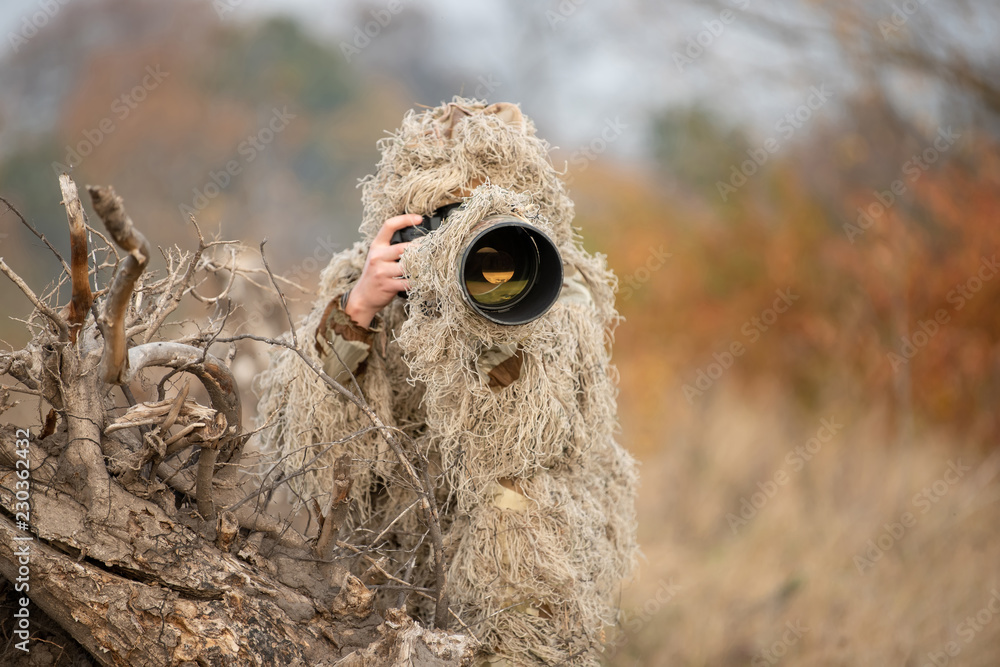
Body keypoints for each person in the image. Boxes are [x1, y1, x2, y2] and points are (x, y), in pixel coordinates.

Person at [256, 98, 637, 666]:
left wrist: (494, 323)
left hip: (517, 534)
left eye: (490, 216)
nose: (471, 241)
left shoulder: (550, 280)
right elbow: (305, 430)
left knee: (516, 515)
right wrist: (357, 308)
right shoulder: (371, 276)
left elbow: (541, 434)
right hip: (394, 534)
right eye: (451, 216)